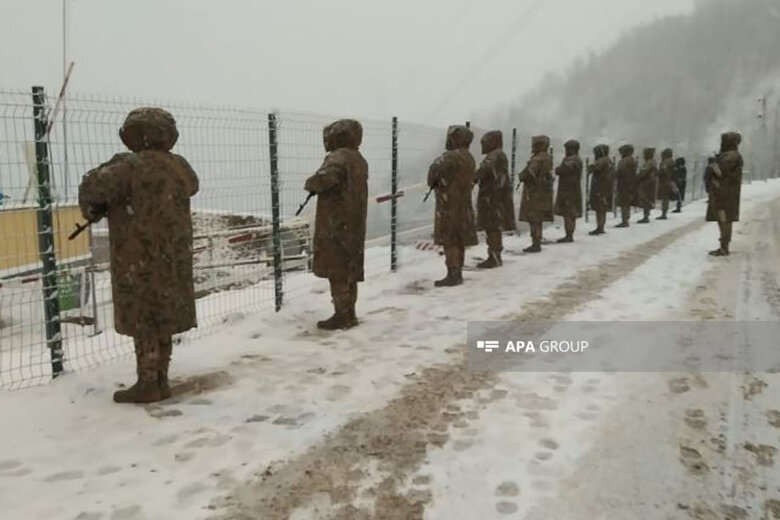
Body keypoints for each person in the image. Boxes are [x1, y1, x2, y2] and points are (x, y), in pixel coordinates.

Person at [78, 108, 199, 403]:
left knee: (144, 320)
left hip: (137, 256)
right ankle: (161, 380)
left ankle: (147, 383)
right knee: (163, 318)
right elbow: (192, 186)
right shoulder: (179, 166)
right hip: (172, 257)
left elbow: (94, 189)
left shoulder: (127, 167)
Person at [304, 120, 368, 328]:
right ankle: (350, 313)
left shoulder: (338, 157)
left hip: (336, 223)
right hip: (353, 223)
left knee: (337, 271)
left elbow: (323, 180)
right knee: (350, 270)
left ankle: (342, 315)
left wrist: (311, 183)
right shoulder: (358, 158)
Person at [427, 125, 478, 286]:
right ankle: (458, 271)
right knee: (459, 238)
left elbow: (432, 174)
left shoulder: (449, 157)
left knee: (450, 239)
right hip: (464, 203)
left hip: (449, 204)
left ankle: (453, 273)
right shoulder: (469, 157)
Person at [475, 130, 515, 268]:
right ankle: (495, 255)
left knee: (492, 227)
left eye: (485, 142)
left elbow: (485, 169)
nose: (483, 145)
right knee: (493, 227)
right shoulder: (499, 154)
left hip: (493, 197)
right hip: (496, 196)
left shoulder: (494, 155)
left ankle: (494, 257)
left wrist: (472, 178)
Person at [706, 132, 743, 256]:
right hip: (725, 192)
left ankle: (724, 246)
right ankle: (724, 244)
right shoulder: (732, 155)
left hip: (725, 193)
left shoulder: (731, 156)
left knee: (724, 219)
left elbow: (721, 172)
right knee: (724, 218)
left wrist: (713, 164)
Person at [518, 135, 554, 252]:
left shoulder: (537, 158)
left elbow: (529, 173)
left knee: (534, 218)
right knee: (538, 218)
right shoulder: (547, 157)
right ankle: (537, 241)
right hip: (543, 191)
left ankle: (536, 243)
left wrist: (522, 175)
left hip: (534, 192)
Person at [553, 139, 583, 243]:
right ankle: (569, 234)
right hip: (571, 189)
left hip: (569, 190)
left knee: (569, 213)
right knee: (569, 213)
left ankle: (569, 235)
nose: (566, 151)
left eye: (568, 149)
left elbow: (563, 169)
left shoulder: (573, 160)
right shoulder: (576, 159)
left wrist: (557, 169)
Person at [587, 144, 613, 235]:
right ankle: (601, 226)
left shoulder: (602, 160)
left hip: (600, 187)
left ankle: (600, 227)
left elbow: (596, 168)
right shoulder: (608, 160)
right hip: (606, 186)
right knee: (602, 208)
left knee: (599, 208)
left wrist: (589, 168)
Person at [614, 144, 637, 228]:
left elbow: (620, 171)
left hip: (623, 184)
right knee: (627, 202)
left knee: (623, 202)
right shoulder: (633, 160)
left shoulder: (623, 161)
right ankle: (626, 218)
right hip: (631, 183)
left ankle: (624, 221)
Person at [635, 147, 657, 224]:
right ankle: (646, 215)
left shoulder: (649, 163)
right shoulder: (653, 162)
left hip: (646, 183)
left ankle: (646, 216)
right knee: (647, 199)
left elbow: (644, 172)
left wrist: (636, 178)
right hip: (650, 183)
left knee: (645, 199)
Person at [656, 148, 675, 219]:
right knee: (666, 198)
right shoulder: (672, 161)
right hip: (669, 181)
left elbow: (662, 171)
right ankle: (664, 212)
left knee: (664, 198)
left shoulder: (665, 162)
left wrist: (657, 173)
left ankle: (663, 214)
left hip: (664, 182)